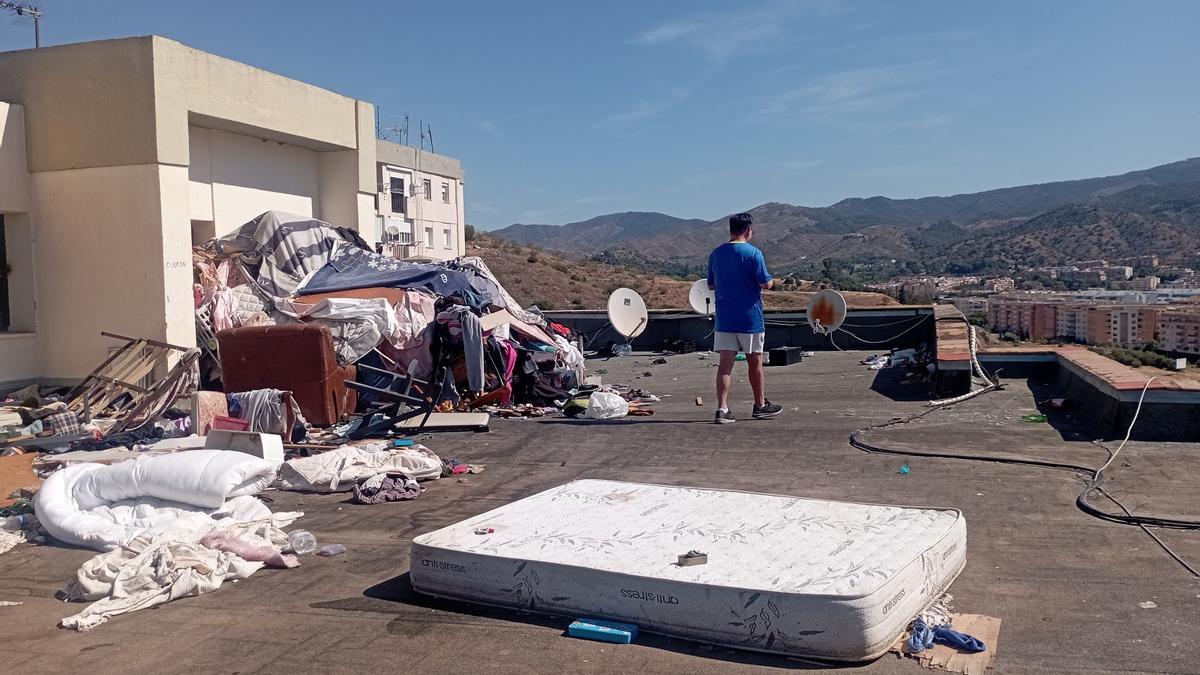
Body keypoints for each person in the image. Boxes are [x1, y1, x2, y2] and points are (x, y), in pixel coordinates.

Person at [706, 212, 783, 424]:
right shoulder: (754, 253)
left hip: (725, 319)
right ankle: (759, 405)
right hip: (750, 319)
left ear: (731, 230)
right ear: (748, 230)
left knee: (725, 366)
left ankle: (722, 409)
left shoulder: (716, 254)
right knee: (755, 363)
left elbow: (710, 285)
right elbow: (765, 283)